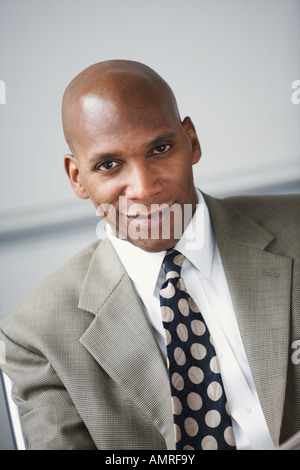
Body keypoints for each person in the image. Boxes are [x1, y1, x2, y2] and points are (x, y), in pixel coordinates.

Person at [0, 60, 299, 450]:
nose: (143, 188)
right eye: (109, 165)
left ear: (191, 140)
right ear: (77, 177)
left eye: (160, 149)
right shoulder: (36, 334)